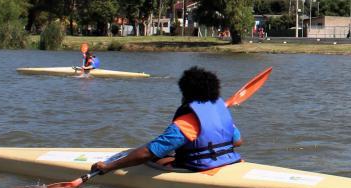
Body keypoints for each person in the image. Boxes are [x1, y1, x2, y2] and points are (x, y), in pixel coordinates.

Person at [92, 66, 242, 174]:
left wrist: (108, 167)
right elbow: (237, 141)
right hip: (230, 161)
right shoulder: (221, 113)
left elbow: (147, 153)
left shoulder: (186, 123)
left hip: (200, 168)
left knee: (151, 159)